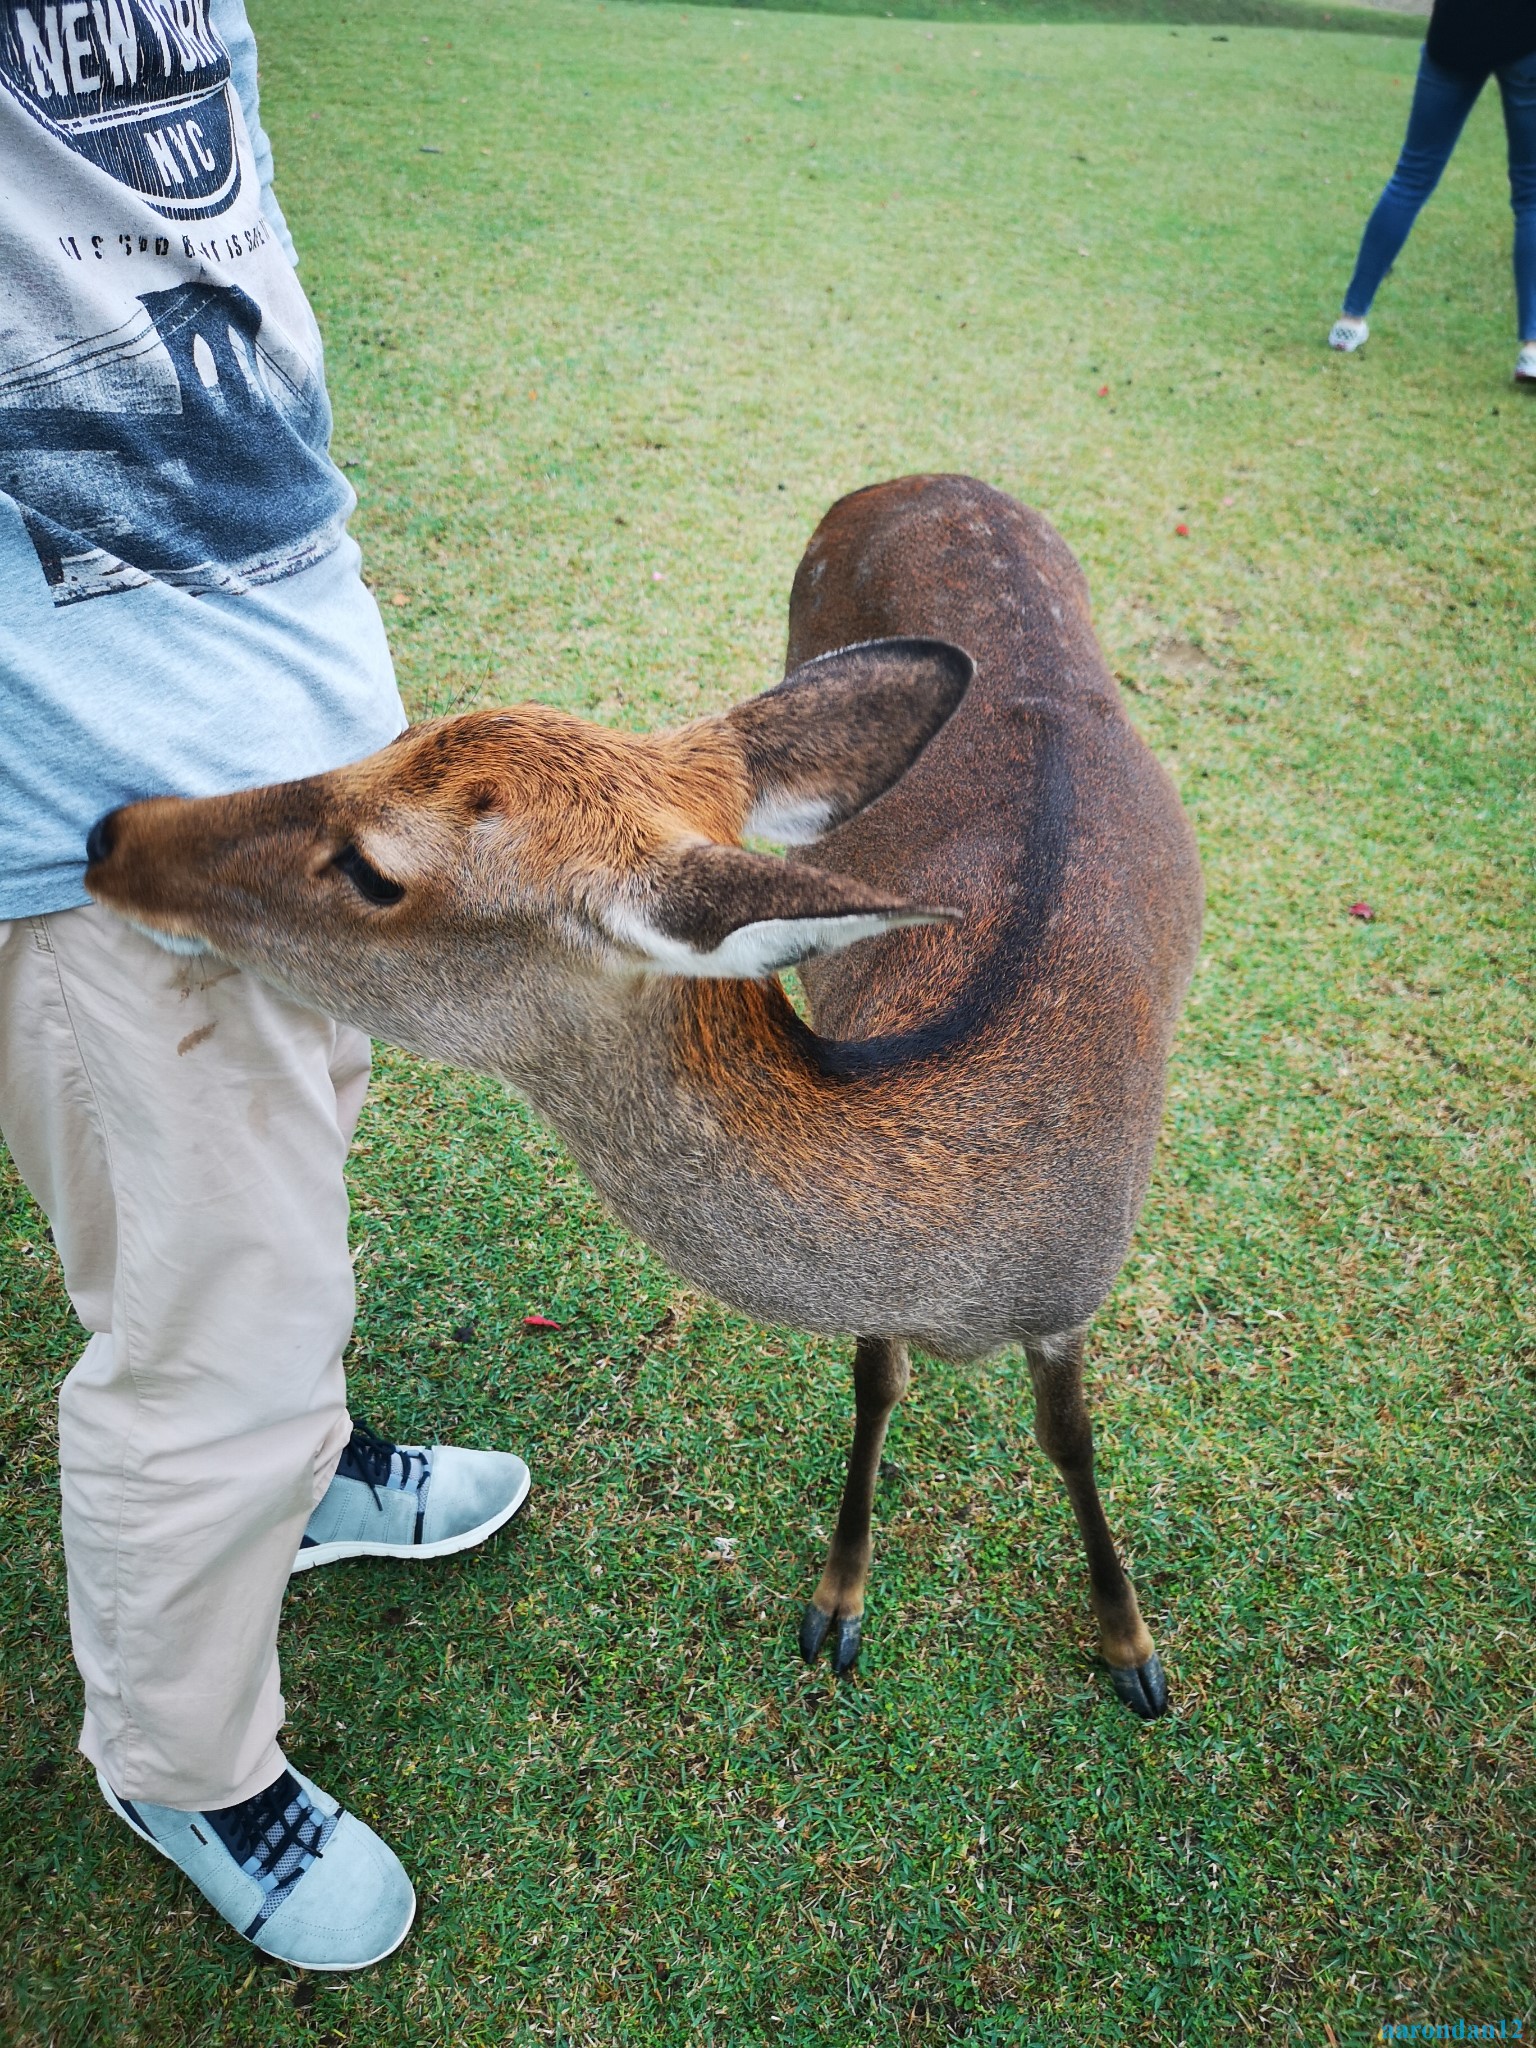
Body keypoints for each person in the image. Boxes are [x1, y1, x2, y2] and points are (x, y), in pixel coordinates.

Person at [0, 0, 530, 1971]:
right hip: (102, 811)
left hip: (307, 763)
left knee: (264, 1208)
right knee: (217, 1312)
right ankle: (184, 1754)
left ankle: (288, 1473)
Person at [1328, 0, 1536, 382]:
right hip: (1525, 35)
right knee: (1532, 196)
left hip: (1456, 32)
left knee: (1410, 177)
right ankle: (1533, 348)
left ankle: (1350, 318)